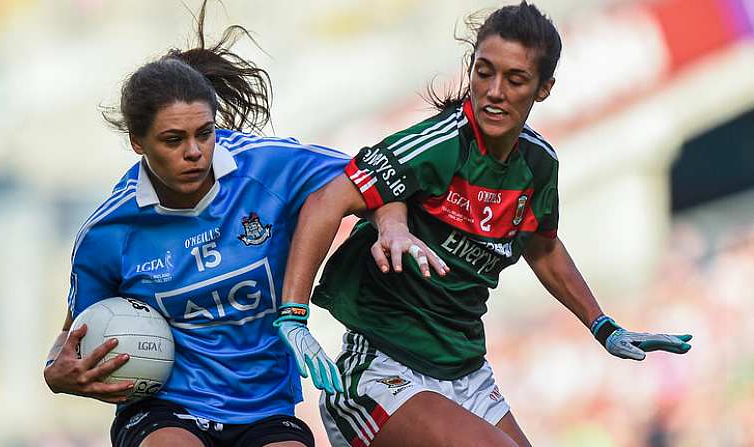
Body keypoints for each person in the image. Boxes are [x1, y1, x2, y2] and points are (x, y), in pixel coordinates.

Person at [278, 2, 693, 446]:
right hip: (384, 368)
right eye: (484, 71)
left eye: (515, 79)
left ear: (544, 89)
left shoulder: (539, 164)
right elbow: (325, 202)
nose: (494, 91)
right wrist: (293, 316)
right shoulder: (437, 144)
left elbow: (543, 247)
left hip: (467, 372)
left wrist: (601, 325)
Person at [41, 2, 443, 445]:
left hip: (265, 408)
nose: (195, 151)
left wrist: (392, 225)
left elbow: (376, 178)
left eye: (205, 133)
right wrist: (56, 374)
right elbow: (74, 338)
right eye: (174, 140)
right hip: (165, 410)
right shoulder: (108, 233)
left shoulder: (270, 168)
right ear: (138, 141)